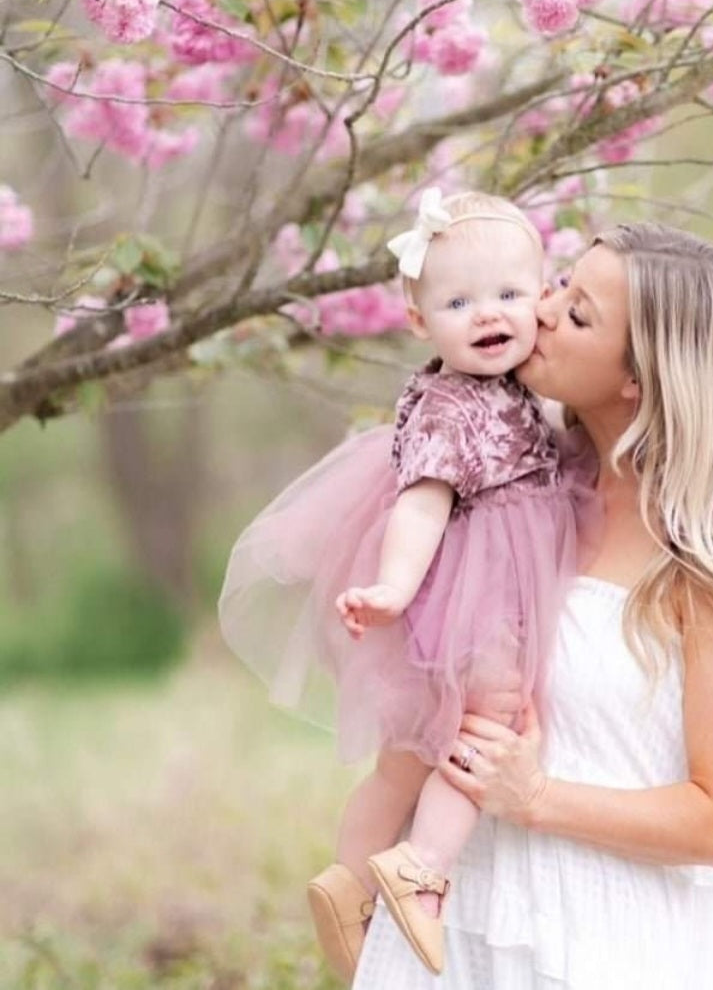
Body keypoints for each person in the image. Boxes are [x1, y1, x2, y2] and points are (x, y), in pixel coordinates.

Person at [352, 221, 713, 988]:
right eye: (560, 285)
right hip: (453, 928)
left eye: (576, 314)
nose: (539, 310)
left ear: (638, 377)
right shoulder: (514, 485)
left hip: (600, 944)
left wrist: (537, 797)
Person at [218, 189, 596, 981]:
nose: (487, 314)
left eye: (508, 295)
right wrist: (390, 587)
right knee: (483, 729)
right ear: (420, 322)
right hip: (471, 594)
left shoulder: (518, 387)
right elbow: (419, 509)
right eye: (458, 301)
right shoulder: (447, 408)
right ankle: (420, 867)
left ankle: (349, 879)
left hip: (481, 588)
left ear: (542, 299)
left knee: (404, 758)